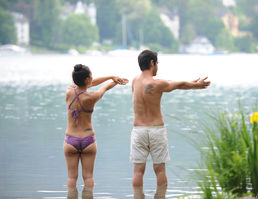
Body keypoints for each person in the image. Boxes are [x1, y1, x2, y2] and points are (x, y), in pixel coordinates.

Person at [130, 50, 211, 199]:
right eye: (157, 63)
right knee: (160, 170)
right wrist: (196, 85)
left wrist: (192, 84)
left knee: (138, 171)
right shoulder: (157, 84)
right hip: (156, 130)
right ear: (152, 63)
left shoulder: (135, 81)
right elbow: (177, 84)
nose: (158, 67)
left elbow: (175, 83)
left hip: (138, 131)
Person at [64, 64, 128, 195]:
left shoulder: (69, 91)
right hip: (88, 141)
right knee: (88, 177)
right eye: (91, 77)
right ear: (87, 80)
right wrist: (113, 80)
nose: (92, 79)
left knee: (71, 177)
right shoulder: (92, 97)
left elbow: (90, 83)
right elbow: (104, 88)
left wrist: (111, 77)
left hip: (71, 140)